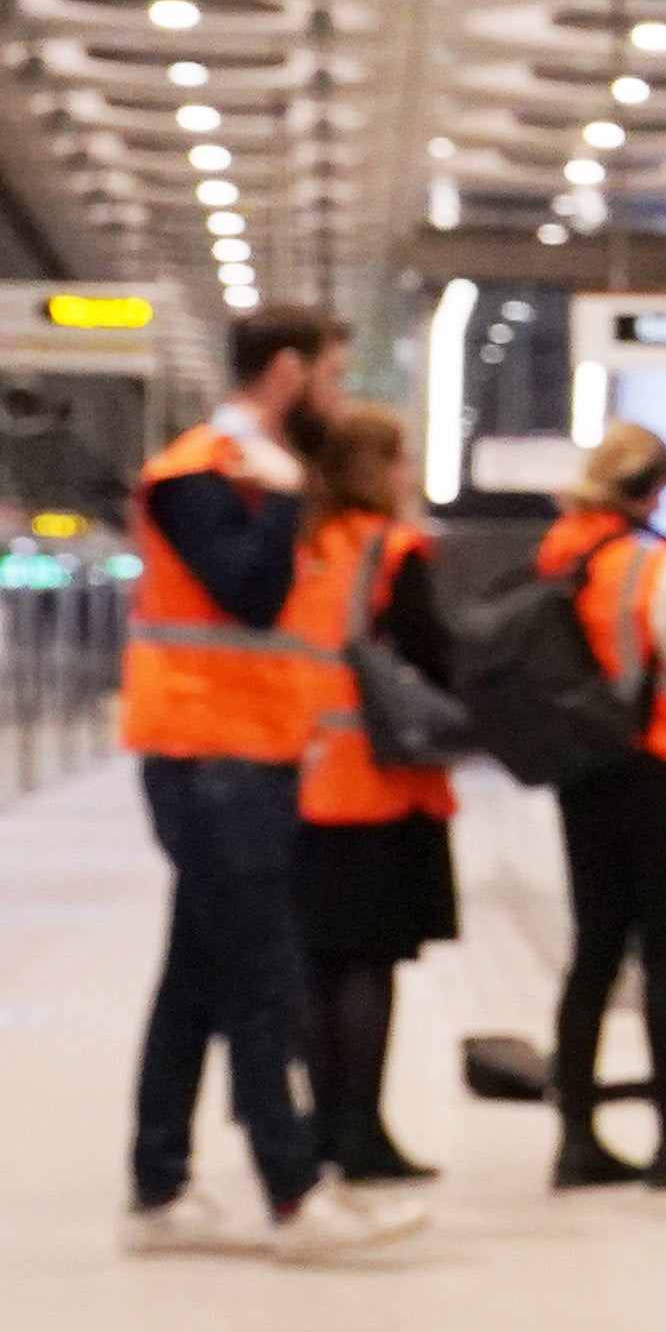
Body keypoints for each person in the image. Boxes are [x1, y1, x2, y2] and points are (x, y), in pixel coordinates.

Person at [118, 307, 424, 1262]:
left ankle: (158, 1187)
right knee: (264, 975)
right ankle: (293, 1196)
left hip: (242, 752)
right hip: (213, 758)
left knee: (198, 976)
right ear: (287, 372)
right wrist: (289, 495)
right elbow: (244, 592)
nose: (337, 395)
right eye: (331, 374)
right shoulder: (201, 473)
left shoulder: (239, 471)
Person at [533, 425, 666, 1193]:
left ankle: (575, 1135)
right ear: (655, 488)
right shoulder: (656, 564)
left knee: (593, 949)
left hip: (583, 769)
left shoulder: (561, 550)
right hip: (660, 768)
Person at [288, 405, 457, 1190]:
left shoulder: (298, 545)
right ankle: (363, 1131)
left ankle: (321, 1128)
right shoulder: (391, 551)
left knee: (319, 963)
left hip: (298, 774)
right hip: (375, 784)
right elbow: (434, 653)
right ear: (373, 469)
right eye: (400, 460)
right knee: (367, 964)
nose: (409, 475)